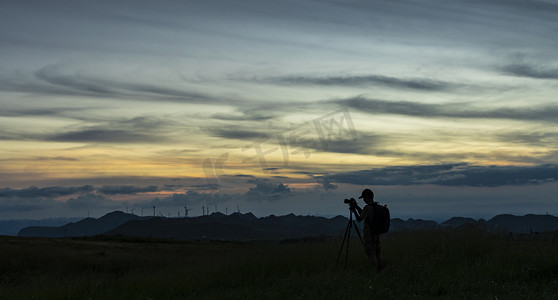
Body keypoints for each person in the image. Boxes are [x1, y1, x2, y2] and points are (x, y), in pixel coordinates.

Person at [351, 188, 383, 271]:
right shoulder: (376, 206)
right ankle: (380, 270)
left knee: (370, 253)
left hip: (369, 234)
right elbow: (363, 213)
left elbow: (359, 219)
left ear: (367, 196)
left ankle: (375, 271)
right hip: (376, 233)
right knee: (377, 253)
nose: (364, 200)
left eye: (364, 198)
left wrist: (354, 210)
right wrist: (357, 207)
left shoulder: (368, 208)